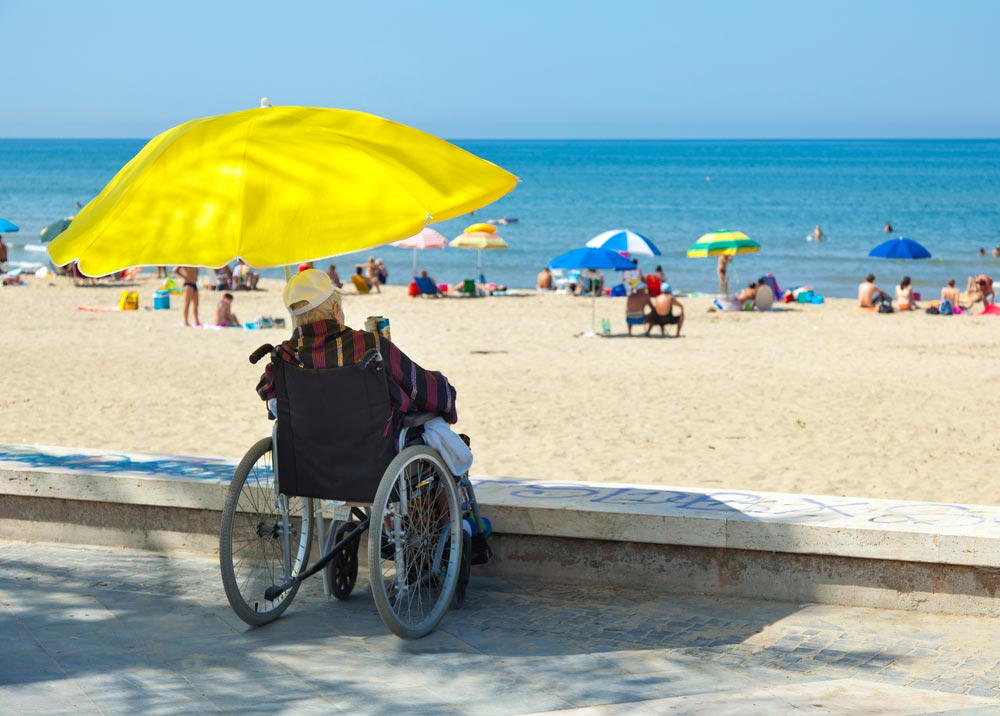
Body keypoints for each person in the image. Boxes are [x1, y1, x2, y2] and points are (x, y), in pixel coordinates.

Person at [256, 269, 458, 443]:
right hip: (373, 458)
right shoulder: (369, 346)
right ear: (336, 310)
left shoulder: (283, 357)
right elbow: (422, 388)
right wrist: (447, 394)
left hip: (308, 463)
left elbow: (270, 396)